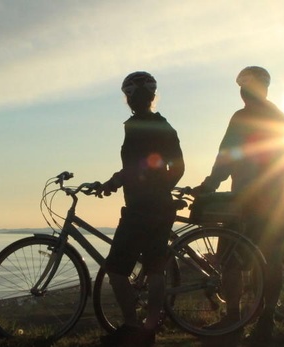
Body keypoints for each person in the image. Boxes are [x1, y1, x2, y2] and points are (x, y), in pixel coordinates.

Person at [192, 66, 284, 342]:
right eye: (241, 87)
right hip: (270, 199)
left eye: (246, 87)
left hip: (252, 200)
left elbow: (227, 156)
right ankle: (257, 319)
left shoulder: (245, 118)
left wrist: (210, 185)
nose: (243, 93)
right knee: (258, 262)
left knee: (242, 261)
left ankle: (241, 318)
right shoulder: (279, 118)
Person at [96, 71, 185, 347]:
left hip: (140, 209)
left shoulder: (135, 126)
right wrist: (161, 189)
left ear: (130, 97)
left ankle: (132, 327)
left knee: (117, 269)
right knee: (155, 269)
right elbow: (178, 168)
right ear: (153, 96)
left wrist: (115, 182)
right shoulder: (165, 126)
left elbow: (134, 168)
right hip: (162, 207)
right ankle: (149, 331)